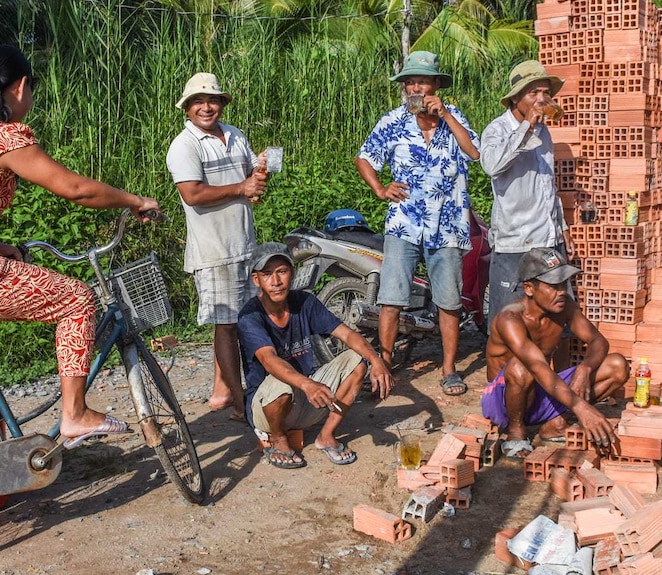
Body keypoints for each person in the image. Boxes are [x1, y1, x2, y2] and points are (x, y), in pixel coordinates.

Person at [0, 45, 160, 524]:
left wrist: (3, 250)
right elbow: (74, 188)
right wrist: (132, 200)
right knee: (78, 300)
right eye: (30, 92)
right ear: (19, 87)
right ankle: (76, 414)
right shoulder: (8, 136)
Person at [354, 51, 480, 396]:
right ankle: (383, 365)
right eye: (409, 82)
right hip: (404, 223)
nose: (414, 88)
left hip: (449, 223)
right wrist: (380, 188)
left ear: (436, 85)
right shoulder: (393, 120)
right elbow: (364, 156)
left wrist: (447, 117)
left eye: (421, 82)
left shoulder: (455, 120)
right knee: (391, 298)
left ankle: (450, 369)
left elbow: (474, 153)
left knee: (449, 301)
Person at [166, 72, 268, 422]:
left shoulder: (235, 134)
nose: (206, 107)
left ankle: (222, 391)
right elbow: (191, 193)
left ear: (221, 104)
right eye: (199, 101)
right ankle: (241, 403)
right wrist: (242, 188)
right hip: (214, 250)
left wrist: (260, 173)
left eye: (212, 100)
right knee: (227, 325)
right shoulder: (185, 145)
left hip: (243, 243)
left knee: (240, 320)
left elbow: (250, 175)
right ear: (188, 107)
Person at [237, 242, 393, 468]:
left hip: (306, 399)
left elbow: (347, 335)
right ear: (256, 280)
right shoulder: (249, 315)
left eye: (282, 271)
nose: (276, 281)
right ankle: (279, 441)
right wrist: (309, 385)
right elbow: (269, 361)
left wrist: (377, 361)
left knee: (357, 361)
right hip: (267, 409)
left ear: (292, 274)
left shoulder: (304, 302)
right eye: (267, 274)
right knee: (281, 382)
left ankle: (326, 435)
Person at [481, 248, 629, 458]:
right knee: (521, 366)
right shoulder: (510, 318)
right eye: (553, 285)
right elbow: (538, 367)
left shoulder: (564, 305)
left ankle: (555, 423)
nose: (561, 291)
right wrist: (582, 408)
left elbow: (598, 341)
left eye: (563, 284)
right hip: (503, 402)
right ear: (529, 288)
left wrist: (585, 369)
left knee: (617, 365)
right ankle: (515, 433)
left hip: (542, 388)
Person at [480, 60, 575, 326]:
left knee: (556, 321)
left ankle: (551, 369)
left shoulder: (544, 133)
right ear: (516, 98)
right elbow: (492, 165)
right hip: (514, 245)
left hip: (547, 240)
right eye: (534, 93)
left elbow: (547, 184)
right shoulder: (497, 130)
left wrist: (562, 229)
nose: (541, 99)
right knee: (509, 323)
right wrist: (526, 128)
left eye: (545, 93)